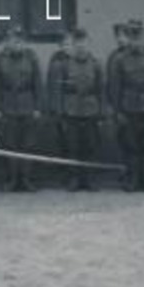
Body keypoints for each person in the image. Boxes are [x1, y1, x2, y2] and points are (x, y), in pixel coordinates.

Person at [107, 18, 144, 192]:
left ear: (143, 38)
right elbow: (115, 88)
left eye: (138, 37)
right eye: (132, 37)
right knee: (131, 145)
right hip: (129, 108)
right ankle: (132, 181)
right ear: (128, 38)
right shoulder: (120, 60)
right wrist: (117, 112)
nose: (135, 41)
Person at [0, 25, 43, 192]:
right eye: (13, 40)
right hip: (7, 106)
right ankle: (11, 179)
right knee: (9, 144)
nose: (17, 43)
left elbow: (38, 84)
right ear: (7, 42)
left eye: (20, 40)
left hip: (27, 106)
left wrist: (38, 107)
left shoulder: (31, 58)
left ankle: (26, 179)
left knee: (28, 145)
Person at [45, 28, 103, 191]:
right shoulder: (63, 65)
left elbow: (100, 89)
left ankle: (88, 179)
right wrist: (59, 112)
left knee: (90, 146)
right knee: (72, 146)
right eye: (78, 44)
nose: (81, 47)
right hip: (70, 110)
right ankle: (73, 178)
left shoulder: (96, 64)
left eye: (84, 43)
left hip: (90, 110)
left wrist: (102, 112)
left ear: (89, 44)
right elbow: (57, 91)